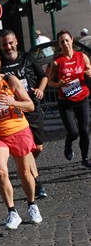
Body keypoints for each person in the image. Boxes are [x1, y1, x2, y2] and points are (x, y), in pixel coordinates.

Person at [0, 48, 43, 230]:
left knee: (25, 174)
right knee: (1, 171)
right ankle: (12, 211)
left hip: (18, 131)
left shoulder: (10, 80)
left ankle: (31, 204)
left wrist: (13, 103)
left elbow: (29, 105)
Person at [0, 29, 49, 198]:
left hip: (32, 107)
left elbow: (44, 76)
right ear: (1, 46)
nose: (8, 47)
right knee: (27, 150)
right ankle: (37, 183)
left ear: (16, 42)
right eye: (4, 44)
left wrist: (41, 90)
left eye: (10, 43)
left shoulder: (27, 58)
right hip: (15, 113)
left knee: (38, 147)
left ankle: (26, 166)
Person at [48, 29, 91, 168]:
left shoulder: (82, 56)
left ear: (72, 40)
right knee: (73, 132)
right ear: (59, 45)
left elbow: (89, 69)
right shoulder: (56, 62)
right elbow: (49, 82)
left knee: (84, 130)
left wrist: (89, 72)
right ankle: (68, 145)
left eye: (67, 40)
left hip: (82, 98)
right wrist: (59, 84)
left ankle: (85, 158)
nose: (65, 43)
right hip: (66, 103)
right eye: (62, 42)